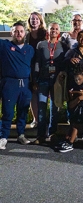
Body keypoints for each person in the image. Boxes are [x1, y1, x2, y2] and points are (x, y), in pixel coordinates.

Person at [0, 22, 35, 150]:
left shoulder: (30, 49)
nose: (18, 34)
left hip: (25, 84)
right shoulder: (4, 46)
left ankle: (21, 135)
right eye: (16, 31)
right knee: (8, 112)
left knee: (23, 111)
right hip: (10, 83)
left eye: (21, 31)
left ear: (25, 33)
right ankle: (3, 137)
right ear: (11, 33)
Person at [33, 22, 67, 144]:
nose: (54, 30)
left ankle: (52, 133)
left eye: (56, 29)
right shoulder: (41, 44)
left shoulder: (63, 45)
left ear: (59, 32)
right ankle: (41, 135)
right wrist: (35, 79)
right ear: (48, 30)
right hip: (43, 80)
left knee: (54, 108)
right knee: (41, 108)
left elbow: (64, 63)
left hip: (56, 81)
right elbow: (37, 62)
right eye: (52, 28)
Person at [58, 63, 83, 153]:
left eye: (79, 79)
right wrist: (76, 96)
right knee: (73, 123)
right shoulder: (73, 86)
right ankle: (69, 139)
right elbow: (71, 102)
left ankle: (70, 143)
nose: (77, 81)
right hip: (76, 109)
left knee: (76, 125)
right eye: (76, 79)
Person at [26, 12, 47, 128]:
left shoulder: (45, 34)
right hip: (30, 66)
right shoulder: (27, 35)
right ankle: (35, 119)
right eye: (32, 19)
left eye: (36, 19)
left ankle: (43, 118)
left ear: (40, 20)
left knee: (43, 92)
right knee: (32, 93)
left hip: (43, 66)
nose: (34, 21)